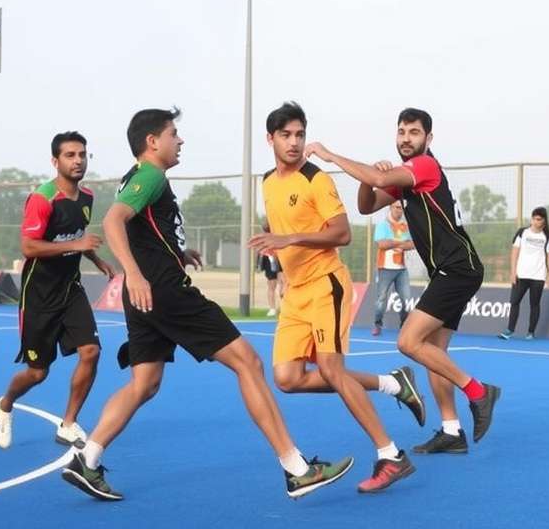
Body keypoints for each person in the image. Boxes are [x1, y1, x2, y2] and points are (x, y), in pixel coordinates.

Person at [61, 107, 353, 502]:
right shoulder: (149, 175)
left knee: (144, 383)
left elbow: (142, 231)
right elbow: (114, 222)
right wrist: (134, 273)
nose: (179, 141)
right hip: (165, 293)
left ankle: (88, 458)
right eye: (173, 134)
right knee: (248, 362)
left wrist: (176, 253)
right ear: (153, 142)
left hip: (146, 296)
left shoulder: (136, 178)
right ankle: (297, 469)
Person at [248, 102, 425, 494]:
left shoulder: (316, 179)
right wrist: (279, 244)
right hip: (296, 293)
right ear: (270, 139)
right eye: (285, 135)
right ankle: (392, 383)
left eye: (299, 134)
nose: (294, 143)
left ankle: (390, 454)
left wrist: (289, 239)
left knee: (331, 368)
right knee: (287, 379)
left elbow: (342, 233)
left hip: (327, 283)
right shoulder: (266, 182)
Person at [305, 107, 501, 456]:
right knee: (433, 351)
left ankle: (479, 392)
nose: (406, 138)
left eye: (413, 132)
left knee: (409, 342)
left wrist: (330, 155)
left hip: (458, 268)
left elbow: (383, 181)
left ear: (428, 138)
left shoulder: (423, 167)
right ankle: (452, 431)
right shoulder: (407, 179)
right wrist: (368, 177)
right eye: (401, 132)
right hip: (450, 270)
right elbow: (367, 205)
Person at [0, 131, 116, 450]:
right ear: (55, 161)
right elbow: (29, 246)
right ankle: (4, 404)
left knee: (92, 352)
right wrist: (78, 244)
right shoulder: (42, 198)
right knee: (37, 373)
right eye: (70, 155)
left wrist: (95, 258)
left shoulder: (87, 198)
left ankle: (69, 423)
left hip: (71, 289)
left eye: (83, 155)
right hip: (39, 296)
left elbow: (76, 234)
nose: (78, 161)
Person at [499, 207, 549, 340]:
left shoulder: (547, 237)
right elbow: (515, 252)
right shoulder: (522, 233)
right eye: (535, 219)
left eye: (540, 219)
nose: (537, 222)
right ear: (531, 219)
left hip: (538, 276)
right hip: (521, 275)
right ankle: (510, 330)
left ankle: (531, 332)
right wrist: (513, 272)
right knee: (514, 302)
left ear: (544, 221)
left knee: (535, 304)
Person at [372, 201, 414, 336]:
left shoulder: (405, 226)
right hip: (385, 268)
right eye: (397, 207)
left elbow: (412, 245)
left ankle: (404, 325)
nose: (399, 211)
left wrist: (393, 242)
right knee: (381, 299)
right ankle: (378, 324)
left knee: (406, 299)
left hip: (401, 269)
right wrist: (401, 243)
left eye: (401, 209)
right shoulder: (383, 225)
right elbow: (382, 244)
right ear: (390, 207)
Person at [258, 224, 285, 316]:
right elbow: (262, 252)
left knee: (283, 284)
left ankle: (284, 307)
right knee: (272, 286)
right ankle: (272, 308)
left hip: (282, 260)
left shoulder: (281, 235)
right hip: (271, 261)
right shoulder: (265, 239)